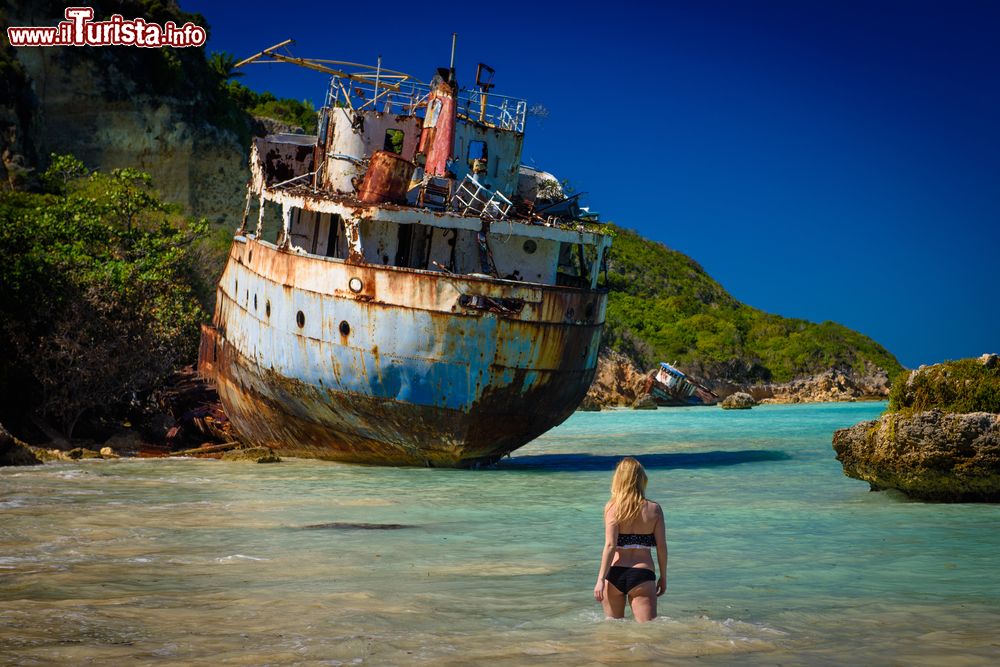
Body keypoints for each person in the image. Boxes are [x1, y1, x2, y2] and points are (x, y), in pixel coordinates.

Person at [593, 457, 667, 622]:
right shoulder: (654, 509)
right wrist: (663, 576)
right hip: (643, 573)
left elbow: (610, 546)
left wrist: (600, 580)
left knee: (613, 631)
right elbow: (661, 546)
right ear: (641, 479)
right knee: (646, 633)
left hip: (614, 574)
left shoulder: (612, 507)